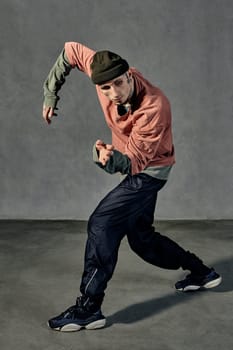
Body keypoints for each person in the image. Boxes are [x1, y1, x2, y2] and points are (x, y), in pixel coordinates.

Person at [42, 41, 222, 332]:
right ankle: (201, 272)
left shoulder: (154, 106)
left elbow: (136, 163)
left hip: (151, 170)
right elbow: (70, 50)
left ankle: (89, 309)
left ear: (129, 75)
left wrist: (107, 159)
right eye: (105, 89)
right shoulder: (99, 70)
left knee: (102, 223)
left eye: (118, 84)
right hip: (137, 165)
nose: (114, 94)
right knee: (141, 239)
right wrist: (51, 94)